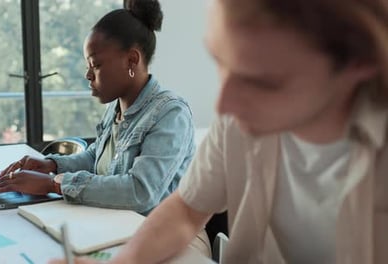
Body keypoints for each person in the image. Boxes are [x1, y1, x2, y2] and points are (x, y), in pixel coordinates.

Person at [50, 0, 388, 263]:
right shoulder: (241, 124)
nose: (224, 106)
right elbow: (186, 209)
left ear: (355, 64)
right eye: (220, 62)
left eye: (260, 81)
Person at [0, 0, 211, 257]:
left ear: (132, 60)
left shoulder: (171, 114)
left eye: (96, 65)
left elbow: (140, 192)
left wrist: (54, 184)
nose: (88, 75)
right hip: (119, 230)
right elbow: (94, 158)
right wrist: (51, 165)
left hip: (170, 239)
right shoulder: (116, 108)